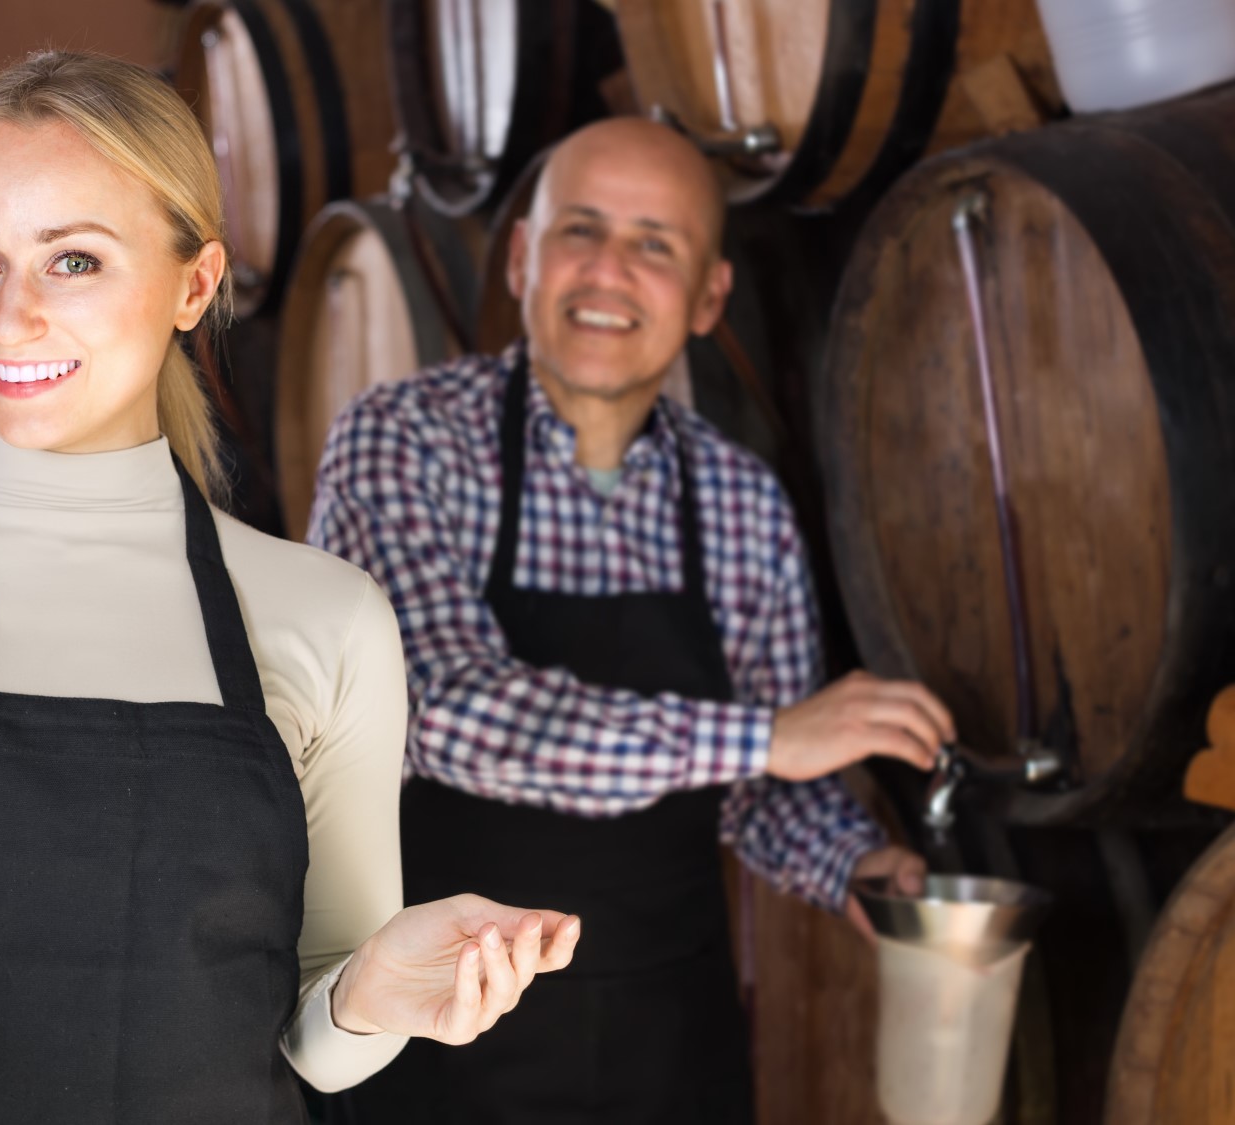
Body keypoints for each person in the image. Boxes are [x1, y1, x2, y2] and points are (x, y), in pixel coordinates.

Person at [0, 51, 580, 1122]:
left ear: (193, 284)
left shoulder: (330, 617)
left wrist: (371, 996)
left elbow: (317, 1047)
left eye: (73, 261)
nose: (10, 317)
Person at [307, 117, 951, 1124]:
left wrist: (855, 866)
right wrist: (767, 736)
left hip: (669, 1047)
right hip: (433, 1038)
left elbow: (754, 795)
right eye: (580, 231)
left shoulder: (741, 503)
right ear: (520, 257)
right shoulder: (400, 441)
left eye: (654, 244)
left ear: (706, 299)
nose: (608, 272)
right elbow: (435, 711)